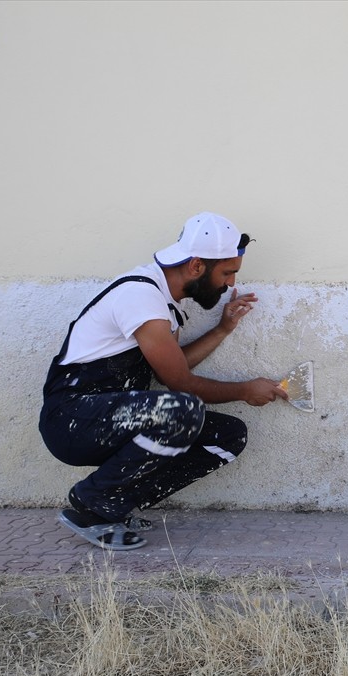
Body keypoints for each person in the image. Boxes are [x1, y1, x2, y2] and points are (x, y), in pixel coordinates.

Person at [38, 212, 288, 551]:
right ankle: (93, 503)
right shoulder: (140, 295)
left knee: (228, 437)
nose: (229, 284)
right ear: (197, 266)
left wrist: (223, 329)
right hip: (71, 419)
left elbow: (170, 367)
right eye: (227, 272)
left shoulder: (165, 303)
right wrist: (245, 391)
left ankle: (118, 503)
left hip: (114, 418)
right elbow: (179, 383)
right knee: (182, 409)